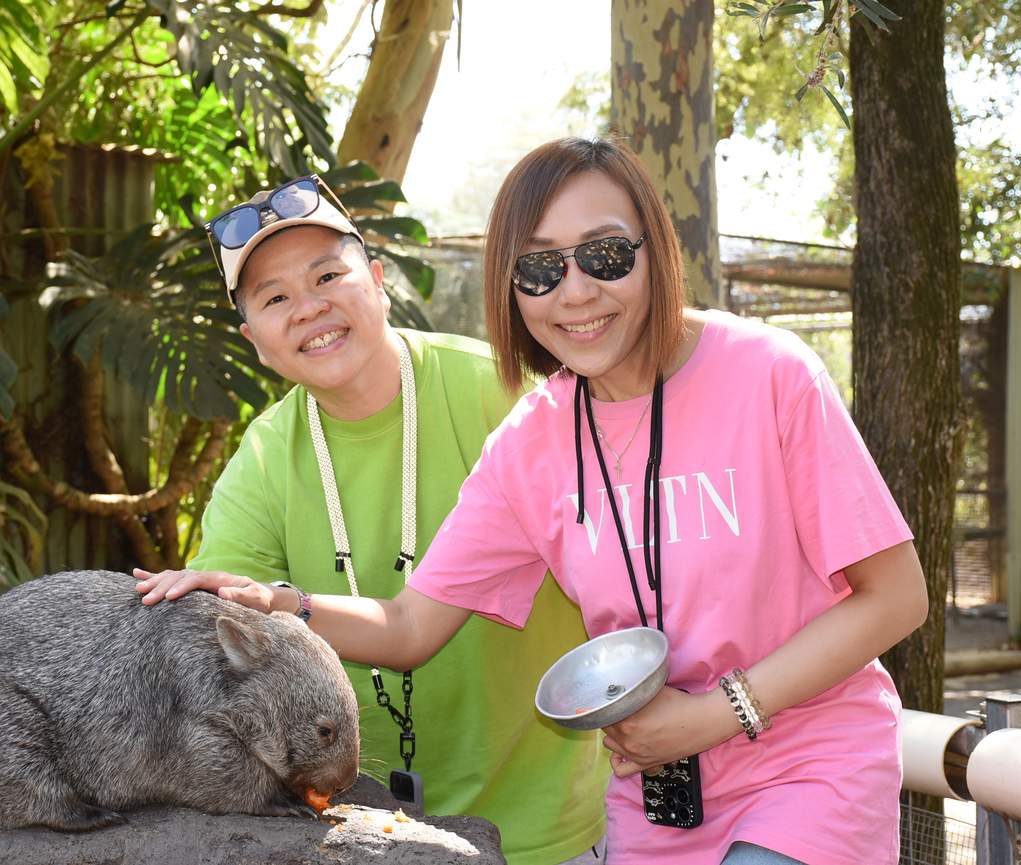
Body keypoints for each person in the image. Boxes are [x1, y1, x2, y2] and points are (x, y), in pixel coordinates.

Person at [149, 139, 931, 865]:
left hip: (803, 767)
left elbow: (895, 596)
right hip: (652, 790)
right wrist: (277, 601)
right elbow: (411, 624)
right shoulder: (534, 436)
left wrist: (715, 715)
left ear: (655, 252)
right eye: (539, 270)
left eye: (604, 255)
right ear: (510, 286)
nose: (576, 291)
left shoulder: (766, 372)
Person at [134, 174, 610, 865]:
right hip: (356, 829)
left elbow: (618, 565)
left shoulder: (505, 394)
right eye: (275, 297)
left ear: (378, 280)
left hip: (543, 824)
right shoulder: (264, 457)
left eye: (328, 274)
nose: (309, 307)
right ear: (254, 340)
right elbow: (228, 641)